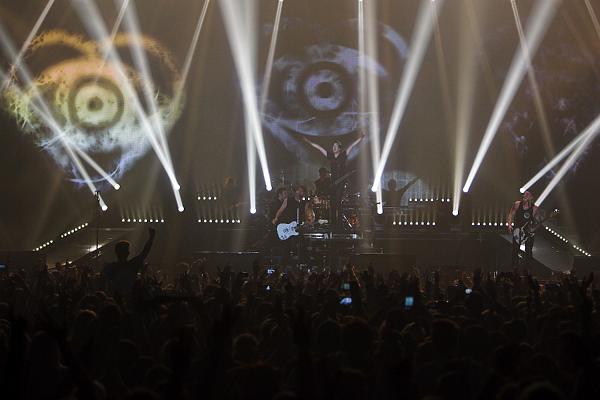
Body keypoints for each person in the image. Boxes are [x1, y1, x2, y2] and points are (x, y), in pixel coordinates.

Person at [303, 133, 366, 226]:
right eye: (333, 146)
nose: (334, 148)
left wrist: (360, 138)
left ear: (339, 148)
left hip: (341, 182)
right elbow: (319, 148)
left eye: (336, 146)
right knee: (332, 202)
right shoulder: (330, 155)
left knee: (338, 202)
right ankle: (333, 223)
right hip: (333, 182)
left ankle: (339, 223)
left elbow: (352, 146)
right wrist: (309, 142)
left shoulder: (344, 154)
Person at [102, 227, 156, 296]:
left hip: (115, 298)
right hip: (130, 298)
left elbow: (103, 285)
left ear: (116, 252)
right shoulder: (132, 265)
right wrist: (151, 238)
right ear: (128, 253)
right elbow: (144, 253)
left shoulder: (109, 267)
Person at [507, 191, 541, 267]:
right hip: (518, 231)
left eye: (527, 194)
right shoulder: (517, 204)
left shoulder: (534, 208)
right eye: (524, 194)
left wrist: (533, 229)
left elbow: (538, 222)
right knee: (515, 250)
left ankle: (528, 269)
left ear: (531, 197)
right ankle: (514, 268)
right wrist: (509, 225)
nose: (524, 196)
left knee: (528, 251)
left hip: (528, 233)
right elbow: (511, 214)